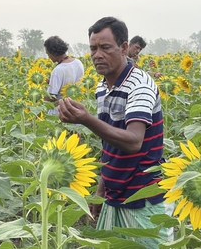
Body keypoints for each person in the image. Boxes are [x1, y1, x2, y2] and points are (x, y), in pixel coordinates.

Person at [57, 16, 173, 247]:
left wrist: (86, 119)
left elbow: (133, 141)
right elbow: (109, 143)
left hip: (142, 195)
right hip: (115, 193)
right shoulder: (103, 86)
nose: (97, 54)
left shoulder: (139, 84)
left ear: (123, 48)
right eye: (93, 48)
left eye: (105, 47)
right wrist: (102, 188)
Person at [44, 36, 84, 115]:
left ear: (53, 52)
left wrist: (42, 92)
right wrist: (51, 82)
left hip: (60, 112)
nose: (48, 56)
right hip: (76, 108)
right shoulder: (78, 63)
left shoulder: (58, 70)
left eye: (48, 53)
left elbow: (52, 97)